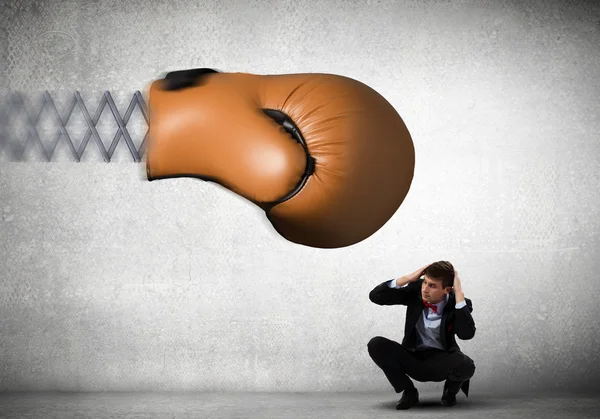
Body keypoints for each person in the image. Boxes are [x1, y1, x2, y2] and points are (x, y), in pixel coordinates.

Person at [367, 261, 476, 409]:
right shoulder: (415, 291)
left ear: (447, 290)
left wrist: (458, 294)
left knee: (466, 364)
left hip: (442, 361)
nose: (425, 289)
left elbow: (466, 334)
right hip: (413, 357)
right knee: (376, 344)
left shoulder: (458, 303)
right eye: (425, 282)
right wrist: (407, 278)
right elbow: (375, 297)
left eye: (432, 286)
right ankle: (409, 392)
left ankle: (450, 393)